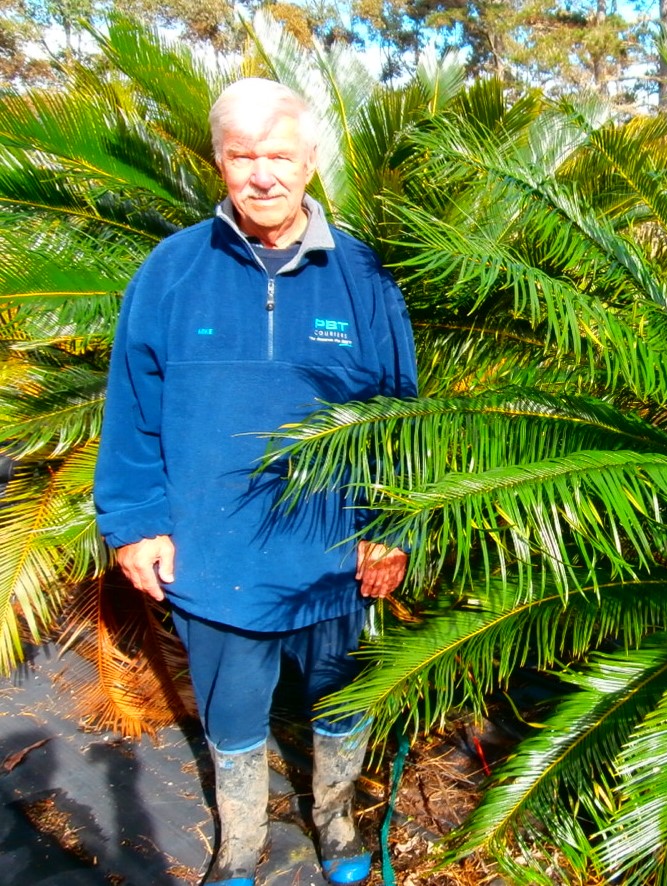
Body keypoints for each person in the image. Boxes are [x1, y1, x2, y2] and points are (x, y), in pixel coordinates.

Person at [94, 78, 418, 886]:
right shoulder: (170, 272)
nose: (263, 174)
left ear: (310, 161)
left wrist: (392, 525)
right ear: (219, 162)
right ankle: (240, 841)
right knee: (233, 719)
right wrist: (134, 523)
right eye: (244, 157)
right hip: (216, 559)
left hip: (334, 561)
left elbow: (399, 418)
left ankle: (336, 823)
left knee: (343, 708)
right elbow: (132, 406)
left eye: (280, 155)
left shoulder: (364, 280)